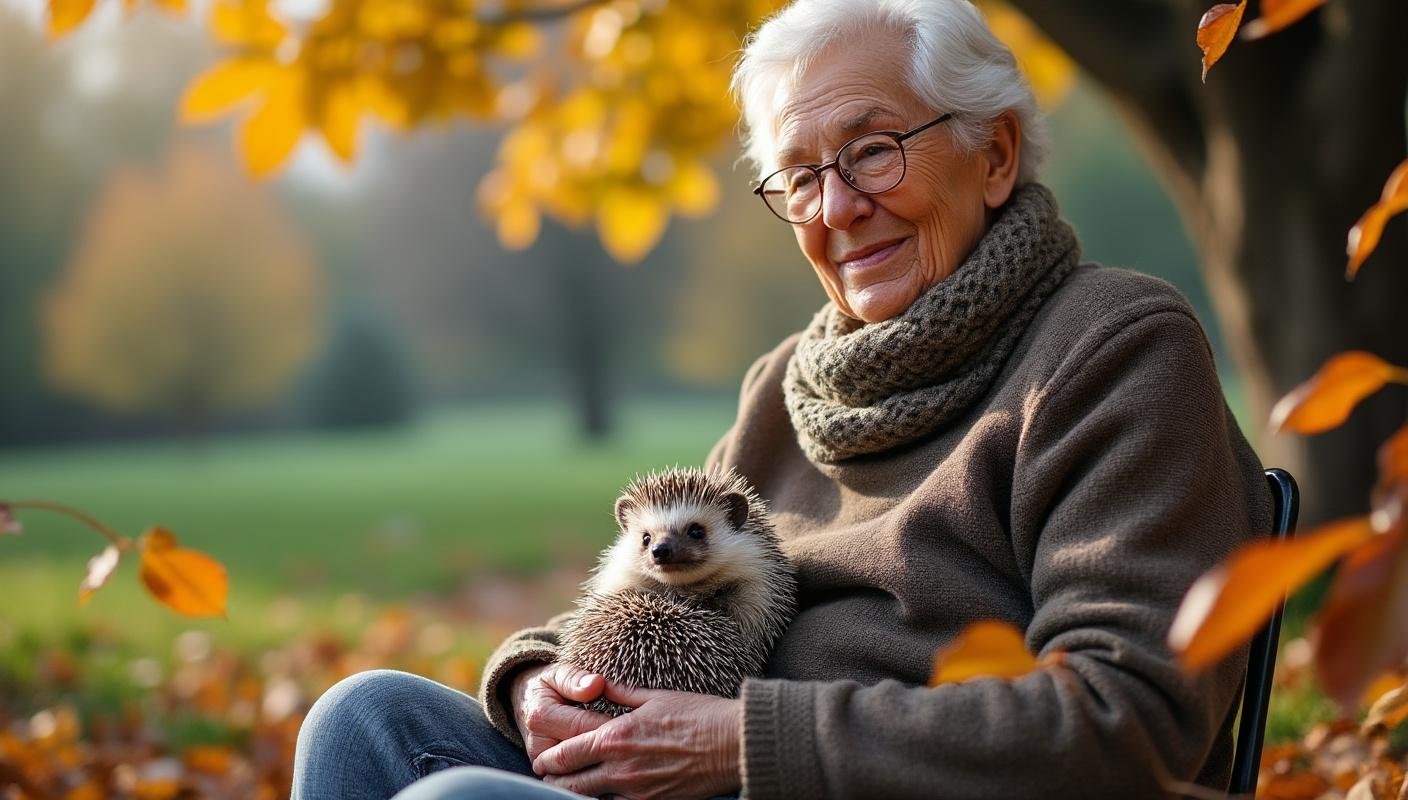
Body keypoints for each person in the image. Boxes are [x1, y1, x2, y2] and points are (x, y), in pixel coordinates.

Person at [291, 0, 1272, 797]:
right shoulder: (787, 383)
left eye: (873, 150)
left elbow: (1128, 719)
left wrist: (746, 743)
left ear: (996, 154)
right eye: (799, 178)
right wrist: (536, 677)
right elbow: (652, 597)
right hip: (699, 779)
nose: (837, 208)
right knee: (364, 715)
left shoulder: (1113, 347)